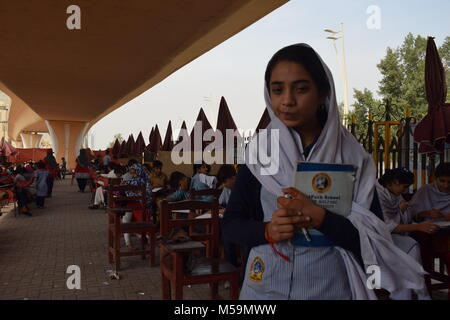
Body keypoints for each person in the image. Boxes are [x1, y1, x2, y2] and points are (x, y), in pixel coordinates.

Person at [222, 43, 426, 300]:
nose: (287, 100)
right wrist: (266, 231)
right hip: (263, 287)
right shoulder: (260, 154)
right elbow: (230, 225)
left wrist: (322, 218)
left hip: (331, 287)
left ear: (323, 93)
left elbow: (373, 238)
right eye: (277, 90)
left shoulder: (352, 158)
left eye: (301, 89)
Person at [375, 168, 432, 300]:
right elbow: (387, 226)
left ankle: (406, 293)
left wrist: (402, 210)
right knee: (412, 249)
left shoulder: (392, 191)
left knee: (411, 250)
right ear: (393, 183)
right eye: (404, 187)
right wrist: (418, 227)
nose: (405, 191)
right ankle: (419, 292)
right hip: (375, 238)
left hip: (393, 237)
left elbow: (401, 214)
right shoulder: (376, 194)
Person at [407, 162, 450, 299]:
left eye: (449, 182)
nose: (446, 185)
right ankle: (425, 291)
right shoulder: (425, 191)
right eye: (442, 181)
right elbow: (411, 214)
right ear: (435, 179)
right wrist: (426, 213)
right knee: (421, 249)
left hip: (446, 234)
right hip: (426, 233)